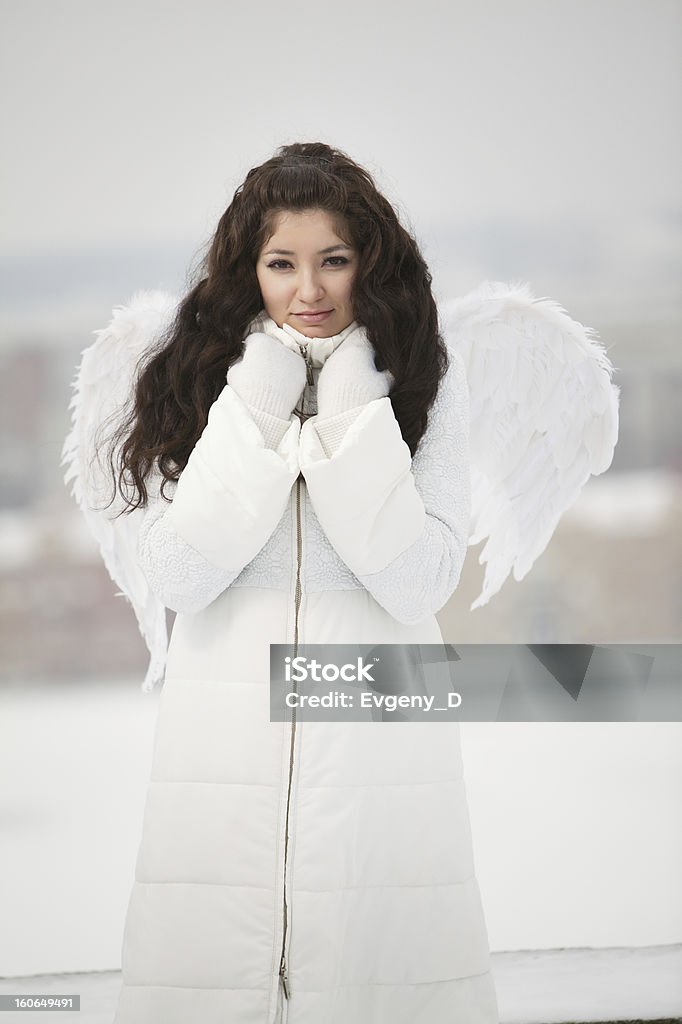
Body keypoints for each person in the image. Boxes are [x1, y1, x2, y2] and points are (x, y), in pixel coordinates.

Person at [99, 141, 499, 1023]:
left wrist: (355, 410)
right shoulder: (201, 382)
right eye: (282, 264)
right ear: (249, 270)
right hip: (220, 751)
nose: (308, 290)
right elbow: (182, 573)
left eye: (334, 261)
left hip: (380, 748)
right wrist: (260, 402)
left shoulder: (426, 383)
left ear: (371, 264)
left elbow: (418, 582)